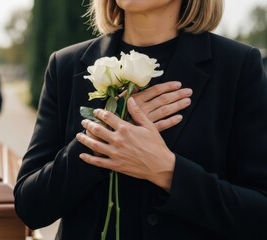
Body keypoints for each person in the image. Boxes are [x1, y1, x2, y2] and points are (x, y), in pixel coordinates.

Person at [14, 0, 267, 239]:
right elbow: (30, 206)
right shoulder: (65, 65)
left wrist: (168, 171)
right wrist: (103, 139)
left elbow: (259, 213)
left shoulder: (238, 66)